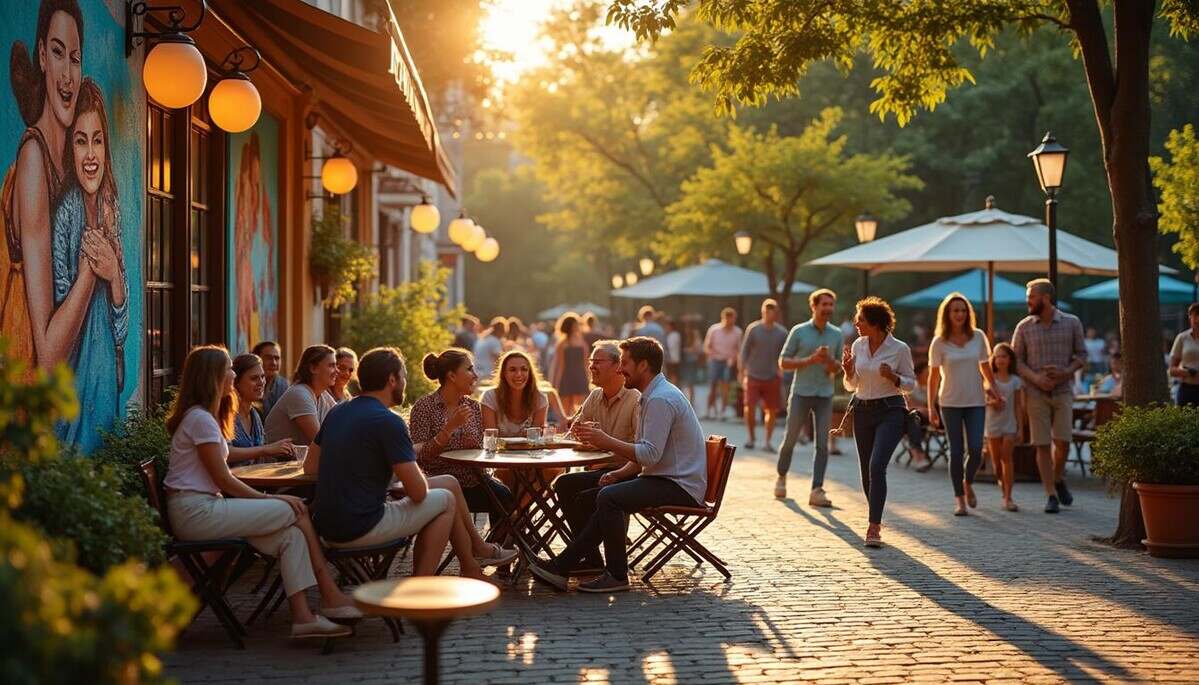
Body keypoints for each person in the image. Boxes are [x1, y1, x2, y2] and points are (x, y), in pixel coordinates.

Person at [162, 346, 360, 639]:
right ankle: (330, 594)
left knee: (292, 537)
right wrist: (272, 498)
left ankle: (304, 618)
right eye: (229, 368)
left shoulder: (205, 417)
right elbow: (224, 479)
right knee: (297, 509)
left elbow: (223, 471)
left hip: (205, 508)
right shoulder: (200, 419)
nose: (233, 373)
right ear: (213, 376)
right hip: (196, 512)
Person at [303, 347, 515, 578]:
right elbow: (418, 492)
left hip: (324, 526)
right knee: (445, 500)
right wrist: (401, 464)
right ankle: (419, 586)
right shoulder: (389, 421)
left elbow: (310, 467)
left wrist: (375, 474)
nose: (405, 383)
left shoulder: (337, 411)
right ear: (392, 380)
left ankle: (472, 565)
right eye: (403, 376)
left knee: (449, 483)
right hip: (362, 525)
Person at [530, 337, 707, 593]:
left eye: (625, 363)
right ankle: (580, 562)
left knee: (609, 497)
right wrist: (618, 473)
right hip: (662, 477)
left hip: (679, 485)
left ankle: (614, 574)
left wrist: (606, 441)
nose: (621, 369)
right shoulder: (652, 395)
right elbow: (646, 454)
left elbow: (649, 455)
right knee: (575, 486)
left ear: (643, 365)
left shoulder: (659, 399)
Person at [49, 79, 128, 453]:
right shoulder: (66, 213)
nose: (91, 154)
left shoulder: (112, 208)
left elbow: (121, 329)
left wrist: (113, 277)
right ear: (71, 148)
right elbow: (61, 327)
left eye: (98, 140)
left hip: (106, 386)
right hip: (74, 391)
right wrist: (87, 275)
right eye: (81, 141)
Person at [551, 340, 642, 571]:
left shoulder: (636, 399)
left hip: (628, 473)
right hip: (600, 469)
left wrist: (602, 442)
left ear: (617, 366)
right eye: (591, 361)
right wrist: (580, 435)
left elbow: (642, 450)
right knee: (563, 484)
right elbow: (574, 433)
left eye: (598, 362)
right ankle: (591, 559)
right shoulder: (594, 396)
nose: (591, 366)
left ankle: (577, 561)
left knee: (587, 497)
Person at [408, 348, 515, 527]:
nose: (476, 376)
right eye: (469, 369)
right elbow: (420, 458)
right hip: (440, 482)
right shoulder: (424, 407)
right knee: (502, 499)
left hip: (474, 480)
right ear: (452, 376)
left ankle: (496, 543)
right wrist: (449, 428)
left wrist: (476, 445)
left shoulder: (473, 407)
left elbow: (480, 450)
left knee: (506, 497)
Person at [843, 297, 915, 548]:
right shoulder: (858, 345)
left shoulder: (899, 349)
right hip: (862, 411)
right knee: (866, 471)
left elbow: (910, 384)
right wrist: (848, 371)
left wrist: (893, 376)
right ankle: (876, 513)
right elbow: (853, 384)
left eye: (860, 319)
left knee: (877, 466)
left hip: (890, 410)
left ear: (875, 322)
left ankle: (873, 526)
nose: (856, 323)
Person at [1011, 279, 1086, 514]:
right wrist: (1036, 378)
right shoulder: (1023, 327)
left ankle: (1058, 478)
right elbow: (1016, 361)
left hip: (1063, 391)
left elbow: (1082, 355)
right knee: (1042, 444)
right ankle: (1051, 494)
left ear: (1046, 298)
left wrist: (1065, 372)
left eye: (1031, 297)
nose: (1028, 302)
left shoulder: (1072, 322)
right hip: (1035, 393)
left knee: (1063, 442)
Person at [927, 293, 1001, 517]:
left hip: (976, 401)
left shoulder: (978, 336)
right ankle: (959, 499)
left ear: (968, 313)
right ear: (947, 314)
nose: (959, 314)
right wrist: (931, 407)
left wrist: (995, 390)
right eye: (955, 311)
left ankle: (967, 482)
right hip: (949, 402)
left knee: (976, 450)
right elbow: (933, 378)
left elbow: (986, 368)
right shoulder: (939, 342)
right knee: (956, 451)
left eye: (963, 310)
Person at [776, 289, 843, 504]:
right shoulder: (799, 331)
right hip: (801, 393)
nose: (828, 308)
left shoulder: (837, 334)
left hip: (825, 394)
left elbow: (838, 369)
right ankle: (781, 477)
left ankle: (817, 490)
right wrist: (810, 360)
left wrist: (829, 360)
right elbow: (783, 362)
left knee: (822, 444)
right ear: (813, 306)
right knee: (790, 439)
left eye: (831, 305)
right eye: (824, 304)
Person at [264, 344, 339, 446]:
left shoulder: (323, 396)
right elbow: (321, 441)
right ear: (313, 368)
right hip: (275, 457)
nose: (337, 371)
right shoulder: (299, 394)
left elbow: (341, 425)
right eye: (331, 366)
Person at [228, 353, 295, 464]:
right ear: (236, 382)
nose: (261, 382)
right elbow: (225, 453)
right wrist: (266, 450)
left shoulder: (254, 414)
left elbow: (260, 454)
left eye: (263, 377)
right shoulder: (227, 414)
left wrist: (280, 451)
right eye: (254, 378)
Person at [740, 299, 789, 451]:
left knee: (771, 410)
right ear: (762, 312)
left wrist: (782, 370)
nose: (769, 315)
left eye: (772, 312)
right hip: (753, 375)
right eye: (767, 312)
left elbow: (786, 353)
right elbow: (744, 351)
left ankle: (767, 442)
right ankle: (751, 438)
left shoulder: (782, 333)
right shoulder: (753, 329)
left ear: (776, 314)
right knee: (749, 407)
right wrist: (741, 372)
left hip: (772, 376)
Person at [985, 343, 1024, 512]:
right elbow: (984, 401)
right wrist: (993, 403)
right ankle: (1003, 488)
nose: (1000, 360)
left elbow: (1018, 406)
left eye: (1004, 356)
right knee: (997, 463)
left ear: (1010, 359)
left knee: (1007, 458)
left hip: (1010, 424)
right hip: (992, 424)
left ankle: (1008, 497)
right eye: (997, 356)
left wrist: (1020, 428)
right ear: (993, 359)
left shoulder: (1016, 381)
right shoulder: (989, 379)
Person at [482, 350, 549, 437]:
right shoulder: (490, 397)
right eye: (512, 370)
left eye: (524, 369)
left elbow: (535, 439)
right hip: (497, 447)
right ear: (504, 374)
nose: (518, 374)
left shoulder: (540, 399)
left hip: (529, 447)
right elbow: (491, 437)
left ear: (530, 373)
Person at [704, 307, 742, 419]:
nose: (730, 321)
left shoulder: (737, 332)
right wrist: (712, 355)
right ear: (723, 318)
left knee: (725, 387)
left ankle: (723, 411)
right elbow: (707, 346)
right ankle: (709, 410)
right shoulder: (714, 330)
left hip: (728, 362)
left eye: (732, 319)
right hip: (715, 360)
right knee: (712, 386)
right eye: (728, 319)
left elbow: (739, 349)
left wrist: (734, 360)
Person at [551, 313, 591, 417]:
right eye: (575, 324)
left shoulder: (582, 342)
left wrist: (589, 379)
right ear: (571, 326)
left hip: (580, 377)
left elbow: (586, 363)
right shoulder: (562, 344)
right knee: (566, 410)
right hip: (567, 378)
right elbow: (560, 365)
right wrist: (556, 384)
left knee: (580, 409)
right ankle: (567, 426)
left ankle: (576, 426)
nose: (578, 326)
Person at [903, 362, 933, 473]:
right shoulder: (911, 388)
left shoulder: (932, 387)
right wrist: (921, 408)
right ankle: (918, 453)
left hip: (933, 418)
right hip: (917, 418)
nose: (929, 375)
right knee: (913, 416)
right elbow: (907, 405)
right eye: (927, 373)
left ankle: (917, 452)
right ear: (919, 375)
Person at [1169, 303, 1199, 407]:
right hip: (1187, 390)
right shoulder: (1182, 338)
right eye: (1194, 316)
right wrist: (1188, 372)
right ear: (1190, 317)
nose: (1197, 320)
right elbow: (1171, 370)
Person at [253, 340, 288, 417]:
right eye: (268, 358)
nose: (274, 363)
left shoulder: (284, 387)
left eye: (277, 358)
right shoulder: (248, 385)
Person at [472, 317, 507, 381]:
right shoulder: (494, 341)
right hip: (486, 374)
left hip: (477, 372)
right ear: (501, 330)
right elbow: (499, 359)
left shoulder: (482, 339)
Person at [680, 321, 703, 405]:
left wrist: (685, 350)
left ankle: (690, 400)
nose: (686, 329)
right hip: (686, 360)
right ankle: (688, 401)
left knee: (689, 381)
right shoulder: (684, 335)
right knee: (687, 381)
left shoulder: (694, 334)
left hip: (690, 361)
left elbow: (697, 348)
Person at [664, 317, 682, 385]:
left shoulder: (674, 335)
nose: (666, 327)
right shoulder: (672, 335)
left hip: (673, 359)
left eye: (667, 326)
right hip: (672, 358)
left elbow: (671, 346)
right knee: (672, 375)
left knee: (673, 375)